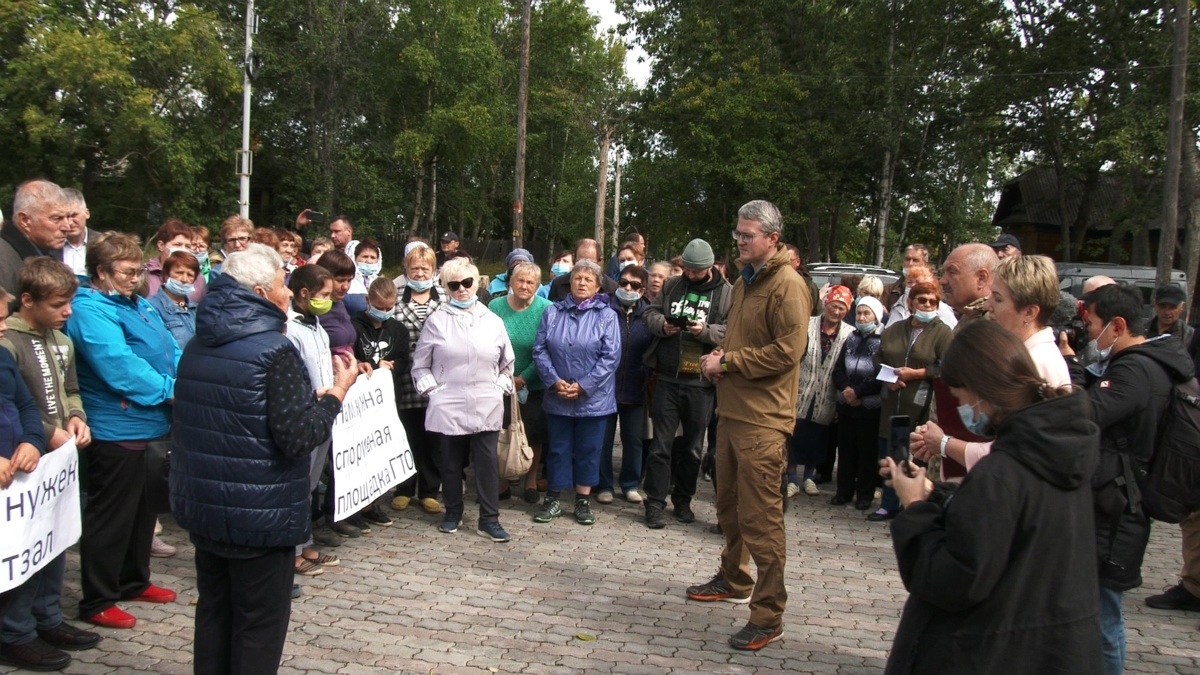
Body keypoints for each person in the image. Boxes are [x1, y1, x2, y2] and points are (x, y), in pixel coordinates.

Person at [171, 243, 358, 675]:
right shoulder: (274, 350)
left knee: (214, 614)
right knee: (258, 626)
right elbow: (299, 437)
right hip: (260, 515)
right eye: (281, 284)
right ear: (259, 292)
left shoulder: (199, 342)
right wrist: (336, 393)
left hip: (206, 508)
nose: (289, 292)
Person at [883, 320, 1102, 675]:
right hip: (1051, 648)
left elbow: (954, 578)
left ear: (982, 389)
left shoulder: (1003, 472)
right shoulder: (1058, 453)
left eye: (961, 398)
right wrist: (936, 495)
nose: (963, 409)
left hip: (989, 651)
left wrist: (916, 510)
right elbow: (1010, 527)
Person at [691, 200, 809, 651]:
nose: (739, 241)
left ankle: (768, 614)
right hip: (732, 413)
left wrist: (730, 362)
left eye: (748, 235)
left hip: (764, 421)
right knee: (729, 508)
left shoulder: (788, 285)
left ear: (772, 239)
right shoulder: (744, 281)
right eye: (737, 234)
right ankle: (734, 578)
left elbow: (787, 352)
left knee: (761, 520)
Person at [1075, 284, 1194, 675]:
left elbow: (1086, 414)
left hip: (1117, 508)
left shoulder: (1134, 369)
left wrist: (1068, 365)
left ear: (1118, 324)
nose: (1089, 332)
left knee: (1104, 618)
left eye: (1092, 323)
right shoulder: (1148, 363)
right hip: (1120, 501)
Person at [65, 232, 181, 629]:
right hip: (117, 426)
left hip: (152, 425)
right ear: (100, 272)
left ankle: (134, 579)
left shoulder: (140, 306)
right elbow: (117, 364)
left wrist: (188, 377)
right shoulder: (89, 309)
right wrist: (170, 391)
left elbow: (171, 349)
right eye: (127, 272)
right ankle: (98, 597)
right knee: (112, 516)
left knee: (142, 512)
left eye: (138, 271)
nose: (136, 279)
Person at [0, 263, 101, 671]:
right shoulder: (10, 342)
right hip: (23, 467)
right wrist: (39, 435)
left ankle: (48, 618)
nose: (68, 312)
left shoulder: (61, 340)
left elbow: (69, 389)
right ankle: (16, 631)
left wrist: (75, 417)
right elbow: (23, 403)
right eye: (59, 304)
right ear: (28, 301)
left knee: (53, 542)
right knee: (22, 549)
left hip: (56, 461)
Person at [914, 254, 1071, 473]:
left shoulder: (1038, 364)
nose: (988, 306)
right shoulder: (1019, 355)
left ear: (1029, 312)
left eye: (997, 298)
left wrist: (944, 444)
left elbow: (1010, 453)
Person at [411, 257, 515, 542]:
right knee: (451, 462)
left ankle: (489, 519)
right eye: (453, 285)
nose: (461, 290)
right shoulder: (436, 322)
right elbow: (420, 365)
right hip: (449, 402)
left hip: (485, 400)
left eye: (466, 283)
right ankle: (453, 512)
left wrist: (500, 385)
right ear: (445, 287)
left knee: (486, 462)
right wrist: (433, 390)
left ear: (475, 282)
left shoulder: (493, 320)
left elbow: (507, 362)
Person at [641, 238, 730, 527]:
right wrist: (663, 326)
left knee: (692, 448)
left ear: (708, 267)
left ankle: (683, 500)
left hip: (701, 383)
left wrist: (705, 331)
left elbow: (730, 330)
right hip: (667, 377)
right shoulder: (671, 285)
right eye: (688, 270)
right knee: (660, 446)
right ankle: (654, 502)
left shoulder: (726, 293)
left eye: (696, 271)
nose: (690, 275)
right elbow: (650, 313)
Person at [531, 259, 621, 526]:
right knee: (558, 448)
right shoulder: (552, 312)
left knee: (589, 449)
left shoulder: (607, 315)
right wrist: (555, 381)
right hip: (558, 394)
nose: (582, 283)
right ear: (569, 281)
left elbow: (611, 356)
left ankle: (582, 500)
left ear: (597, 286)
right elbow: (539, 349)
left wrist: (584, 386)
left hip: (594, 399)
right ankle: (554, 498)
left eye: (588, 280)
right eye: (578, 278)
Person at [0, 285, 54, 667]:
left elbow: (26, 405)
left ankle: (18, 632)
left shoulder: (2, 357)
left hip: (18, 479)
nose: (3, 327)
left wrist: (34, 441)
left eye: (4, 317)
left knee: (24, 556)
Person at [870, 281, 953, 521]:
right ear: (911, 303)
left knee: (916, 454)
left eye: (932, 301)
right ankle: (888, 503)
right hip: (892, 399)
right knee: (890, 453)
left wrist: (916, 374)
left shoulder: (942, 331)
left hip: (921, 402)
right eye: (922, 300)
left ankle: (915, 505)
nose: (927, 305)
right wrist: (887, 379)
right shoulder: (896, 329)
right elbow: (878, 357)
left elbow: (945, 366)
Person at [284, 264, 346, 574]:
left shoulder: (317, 325)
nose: (329, 300)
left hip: (322, 415)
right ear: (304, 294)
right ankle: (291, 552)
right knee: (298, 485)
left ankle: (304, 543)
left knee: (309, 485)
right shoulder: (290, 328)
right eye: (324, 295)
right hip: (304, 413)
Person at [488, 261, 552, 504]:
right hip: (500, 382)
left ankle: (530, 482)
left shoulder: (547, 308)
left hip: (533, 383)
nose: (524, 286)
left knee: (534, 435)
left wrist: (524, 378)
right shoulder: (495, 306)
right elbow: (488, 343)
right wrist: (506, 377)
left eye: (530, 282)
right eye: (520, 281)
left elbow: (546, 349)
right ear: (511, 283)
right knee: (501, 433)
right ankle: (502, 483)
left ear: (537, 286)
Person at [349, 277, 409, 528]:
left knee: (377, 456)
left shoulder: (398, 329)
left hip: (385, 399)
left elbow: (404, 360)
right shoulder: (354, 326)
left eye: (389, 308)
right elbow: (350, 358)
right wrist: (375, 365)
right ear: (368, 301)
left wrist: (389, 369)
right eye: (379, 307)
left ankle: (373, 503)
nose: (384, 313)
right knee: (358, 457)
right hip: (358, 402)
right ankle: (355, 508)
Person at [786, 285, 853, 498]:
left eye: (842, 308)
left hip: (827, 394)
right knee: (795, 435)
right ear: (826, 304)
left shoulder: (848, 334)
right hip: (802, 388)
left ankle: (809, 477)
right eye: (834, 305)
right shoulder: (808, 324)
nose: (836, 311)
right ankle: (792, 479)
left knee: (817, 436)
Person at [596, 264, 653, 505]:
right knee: (604, 439)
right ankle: (604, 485)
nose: (628, 288)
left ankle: (630, 484)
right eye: (624, 282)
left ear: (643, 290)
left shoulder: (649, 313)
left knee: (633, 440)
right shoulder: (603, 307)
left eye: (635, 285)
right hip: (605, 387)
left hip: (636, 386)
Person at [831, 296, 885, 509]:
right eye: (860, 313)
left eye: (867, 314)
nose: (862, 317)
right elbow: (838, 369)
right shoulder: (850, 338)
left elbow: (881, 374)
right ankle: (843, 492)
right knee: (845, 452)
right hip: (846, 404)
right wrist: (846, 389)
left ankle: (864, 495)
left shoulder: (882, 341)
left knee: (866, 453)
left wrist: (859, 393)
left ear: (876, 317)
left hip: (868, 407)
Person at [0, 180, 71, 293]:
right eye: (57, 218)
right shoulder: (4, 264)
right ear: (25, 220)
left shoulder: (48, 250)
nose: (67, 227)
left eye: (68, 217)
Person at [147, 250, 201, 351]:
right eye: (179, 273)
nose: (184, 279)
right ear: (166, 275)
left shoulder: (195, 309)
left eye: (190, 275)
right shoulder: (151, 307)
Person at [143, 219, 207, 302]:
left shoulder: (198, 279)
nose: (182, 250)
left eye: (187, 246)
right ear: (161, 245)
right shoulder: (145, 275)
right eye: (177, 245)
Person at [885, 264, 956, 329]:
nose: (913, 285)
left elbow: (952, 334)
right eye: (909, 282)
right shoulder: (898, 305)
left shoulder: (940, 308)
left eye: (918, 282)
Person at [547, 238, 618, 301]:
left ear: (599, 261)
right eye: (580, 262)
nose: (584, 266)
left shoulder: (611, 288)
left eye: (590, 263)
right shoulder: (558, 284)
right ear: (574, 259)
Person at [62, 188, 96, 279]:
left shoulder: (104, 243)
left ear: (87, 213)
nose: (69, 222)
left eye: (74, 215)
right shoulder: (50, 246)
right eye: (64, 217)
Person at [1147, 284, 1193, 351]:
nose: (1167, 312)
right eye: (1162, 306)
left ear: (1182, 307)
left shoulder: (1189, 336)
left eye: (1172, 307)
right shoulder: (1141, 330)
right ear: (1155, 304)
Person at [344, 238, 383, 315]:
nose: (368, 261)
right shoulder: (348, 281)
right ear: (355, 258)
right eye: (365, 256)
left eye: (373, 257)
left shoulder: (381, 282)